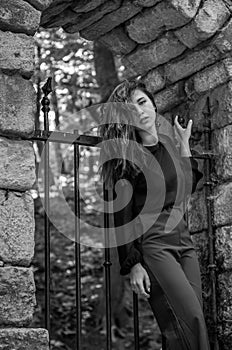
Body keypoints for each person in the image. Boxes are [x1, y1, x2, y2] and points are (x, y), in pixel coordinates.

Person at [98, 78, 210, 349]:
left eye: (142, 102)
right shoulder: (125, 159)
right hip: (156, 244)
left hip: (185, 244)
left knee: (188, 324)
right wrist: (133, 264)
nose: (139, 111)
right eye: (130, 109)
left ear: (153, 104)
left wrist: (184, 144)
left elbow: (187, 184)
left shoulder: (169, 146)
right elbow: (121, 217)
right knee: (189, 321)